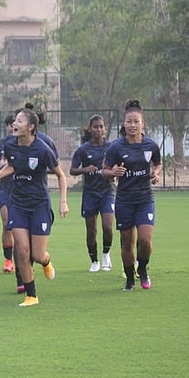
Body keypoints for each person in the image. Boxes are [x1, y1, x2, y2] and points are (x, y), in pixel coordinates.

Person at [0, 108, 68, 307]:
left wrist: (63, 201)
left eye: (19, 121)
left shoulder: (43, 149)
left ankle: (46, 262)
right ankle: (31, 295)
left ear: (31, 127)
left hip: (39, 205)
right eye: (14, 121)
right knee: (22, 251)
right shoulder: (10, 146)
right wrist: (0, 174)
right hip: (17, 204)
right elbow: (13, 166)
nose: (14, 124)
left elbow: (60, 175)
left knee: (37, 255)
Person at [102, 99, 162, 291]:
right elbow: (104, 171)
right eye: (129, 122)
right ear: (124, 124)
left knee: (145, 241)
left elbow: (158, 163)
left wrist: (156, 174)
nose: (132, 125)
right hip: (124, 200)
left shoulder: (151, 146)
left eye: (136, 121)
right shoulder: (116, 148)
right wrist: (114, 173)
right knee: (127, 242)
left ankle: (142, 269)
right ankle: (129, 279)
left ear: (142, 123)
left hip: (145, 199)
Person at [70, 115, 115, 272]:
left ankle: (105, 254)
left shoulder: (110, 147)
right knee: (91, 230)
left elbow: (117, 164)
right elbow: (72, 170)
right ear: (90, 129)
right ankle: (94, 261)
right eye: (96, 126)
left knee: (108, 226)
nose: (99, 129)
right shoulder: (83, 149)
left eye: (101, 126)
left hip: (107, 192)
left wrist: (113, 173)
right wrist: (84, 169)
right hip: (90, 193)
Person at [0, 114, 19, 286]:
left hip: (20, 188)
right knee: (6, 224)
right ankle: (8, 260)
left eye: (15, 124)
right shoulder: (1, 144)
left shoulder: (24, 143)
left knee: (20, 227)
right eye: (10, 124)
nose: (12, 127)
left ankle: (23, 258)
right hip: (4, 188)